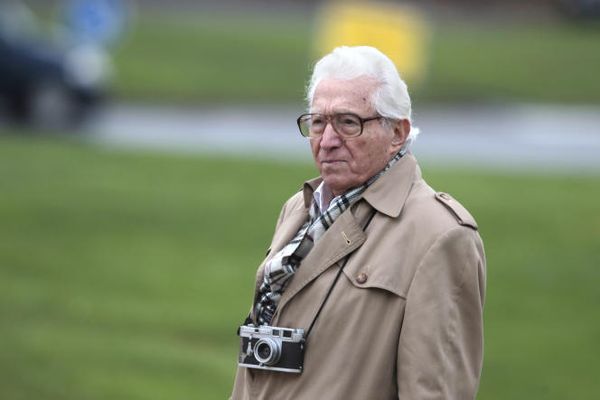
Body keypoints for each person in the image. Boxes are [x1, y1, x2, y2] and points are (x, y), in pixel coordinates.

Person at [230, 46, 486, 400]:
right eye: (318, 122)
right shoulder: (299, 208)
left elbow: (436, 390)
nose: (328, 141)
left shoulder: (440, 234)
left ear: (398, 132)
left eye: (348, 122)